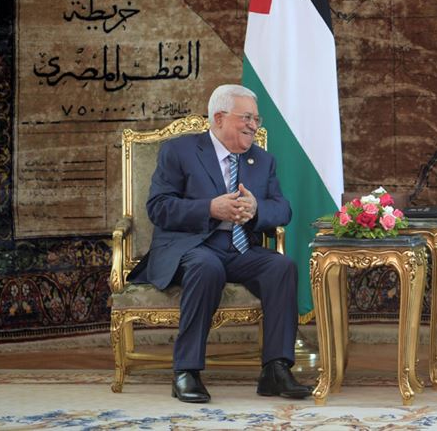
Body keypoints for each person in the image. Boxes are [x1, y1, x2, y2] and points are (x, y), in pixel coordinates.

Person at [128, 84, 311, 403]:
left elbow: (283, 209)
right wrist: (209, 208)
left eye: (256, 119)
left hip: (240, 250)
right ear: (219, 118)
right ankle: (186, 371)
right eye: (247, 117)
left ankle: (275, 369)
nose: (254, 125)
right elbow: (158, 207)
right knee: (206, 266)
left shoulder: (262, 160)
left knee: (281, 267)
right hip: (190, 248)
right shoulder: (180, 151)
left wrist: (257, 209)